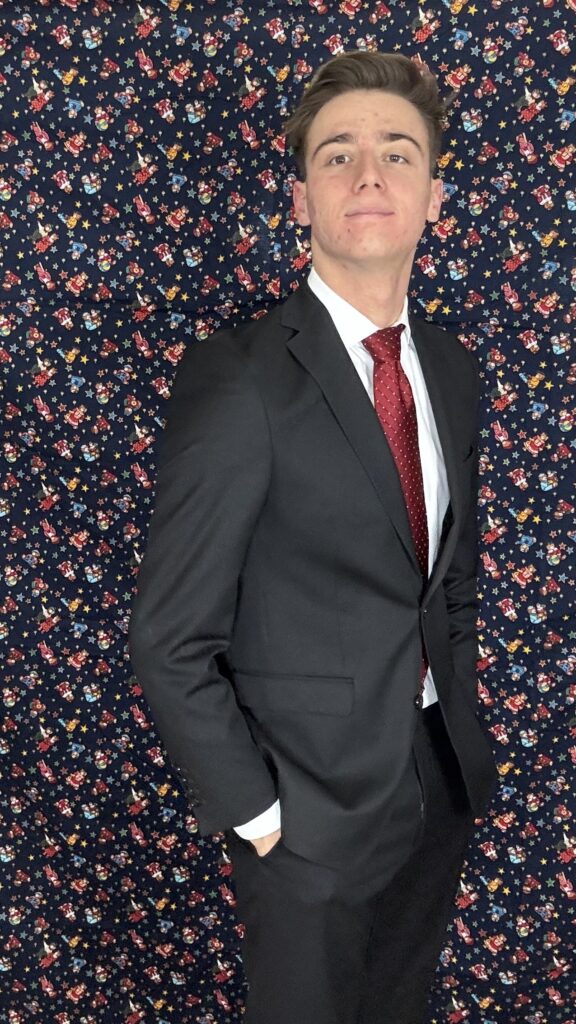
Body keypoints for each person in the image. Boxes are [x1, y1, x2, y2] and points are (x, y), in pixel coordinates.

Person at [129, 51, 497, 1024]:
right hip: (306, 822)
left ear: (435, 197)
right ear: (301, 198)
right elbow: (168, 638)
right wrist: (261, 819)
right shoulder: (240, 378)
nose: (369, 174)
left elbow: (448, 581)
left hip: (436, 782)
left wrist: (455, 730)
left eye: (397, 153)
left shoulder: (452, 371)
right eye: (338, 155)